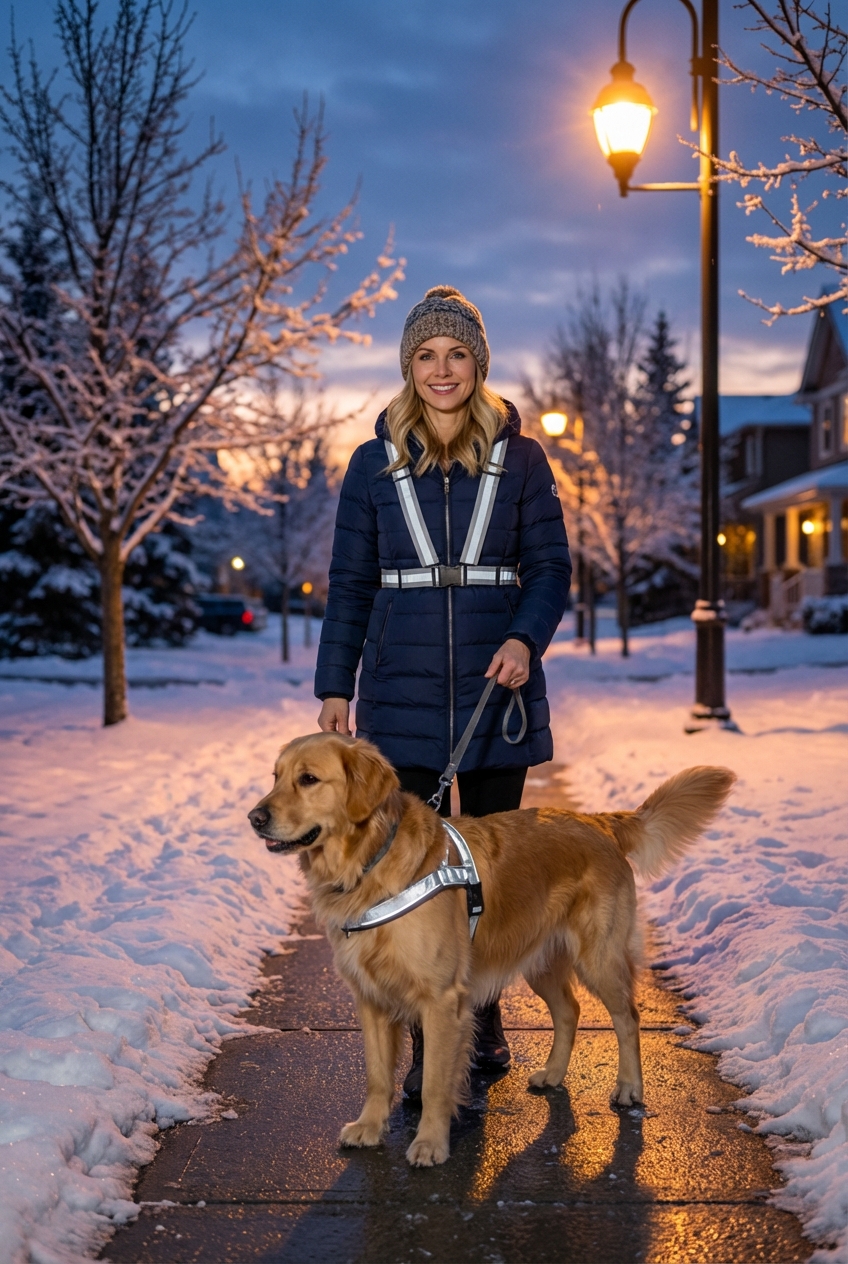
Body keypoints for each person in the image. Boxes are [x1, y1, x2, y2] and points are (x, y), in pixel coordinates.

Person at [315, 284, 571, 1100]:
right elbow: (351, 583)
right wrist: (335, 686)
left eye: (457, 353)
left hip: (497, 693)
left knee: (489, 869)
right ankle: (429, 1034)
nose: (442, 369)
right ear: (408, 366)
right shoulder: (372, 464)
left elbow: (551, 569)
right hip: (399, 694)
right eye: (426, 354)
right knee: (414, 871)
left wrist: (525, 638)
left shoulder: (523, 460)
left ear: (479, 363)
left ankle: (482, 1015)